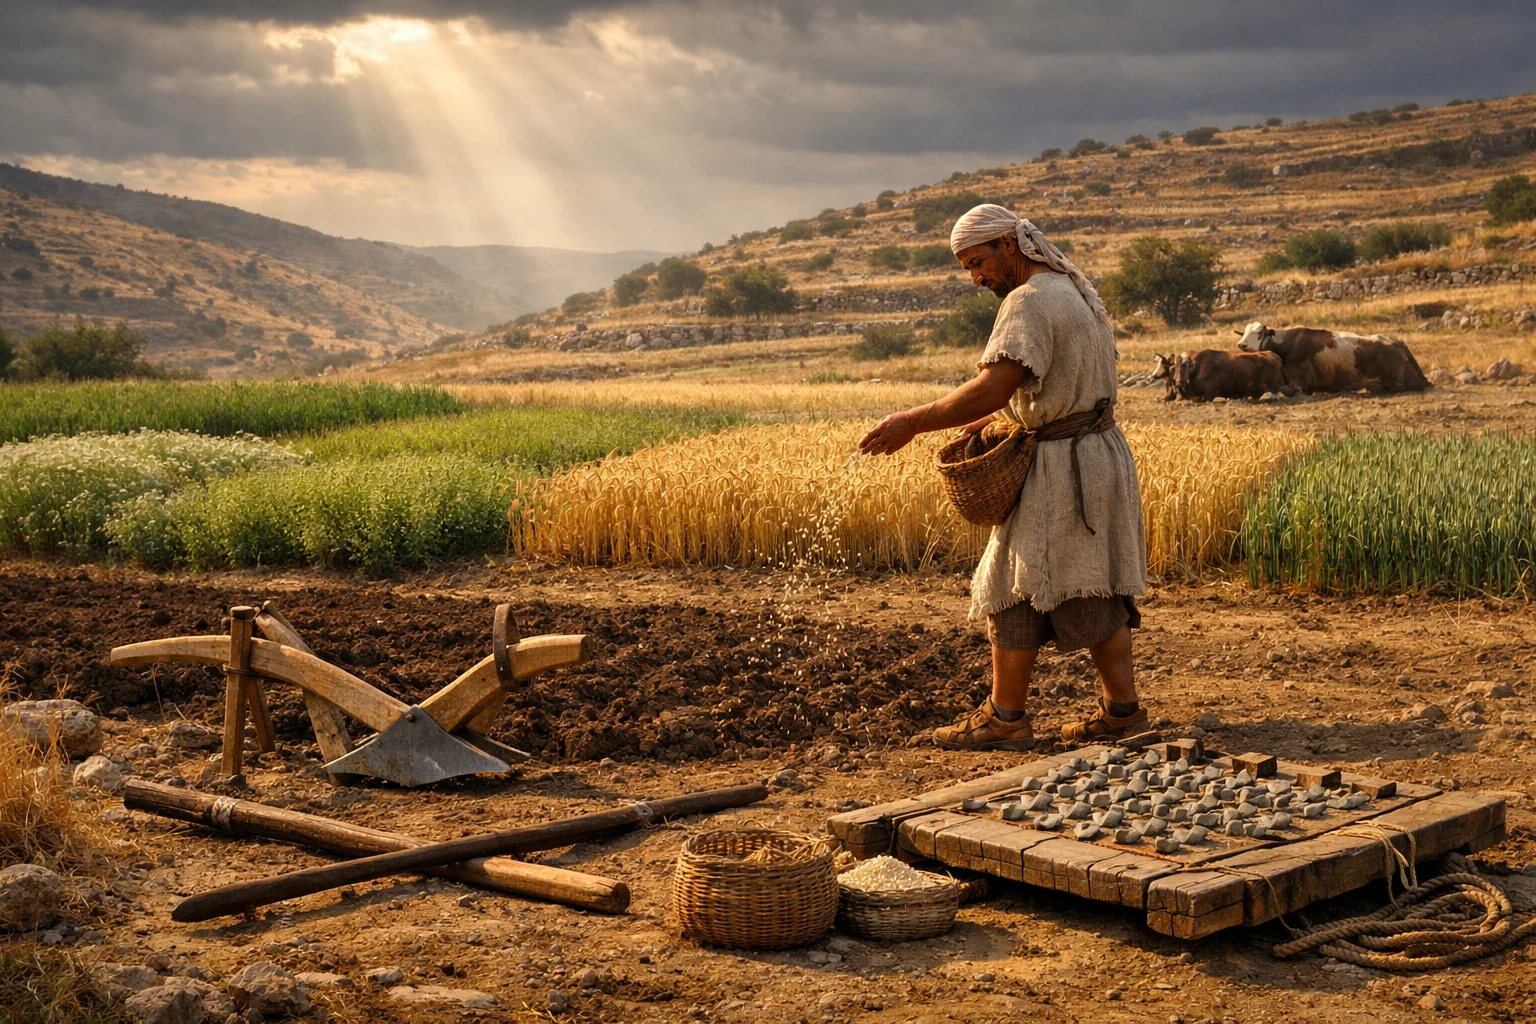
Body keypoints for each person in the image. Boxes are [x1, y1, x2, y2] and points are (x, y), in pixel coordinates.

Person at [858, 204, 1148, 751]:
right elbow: (1049, 387)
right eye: (967, 268)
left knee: (1012, 585)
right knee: (1094, 580)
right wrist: (1014, 418)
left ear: (1009, 246)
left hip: (1061, 467)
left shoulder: (1027, 301)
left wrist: (912, 422)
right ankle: (1122, 712)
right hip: (1097, 456)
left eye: (978, 262)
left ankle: (1005, 718)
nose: (976, 278)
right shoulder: (1069, 289)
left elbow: (994, 386)